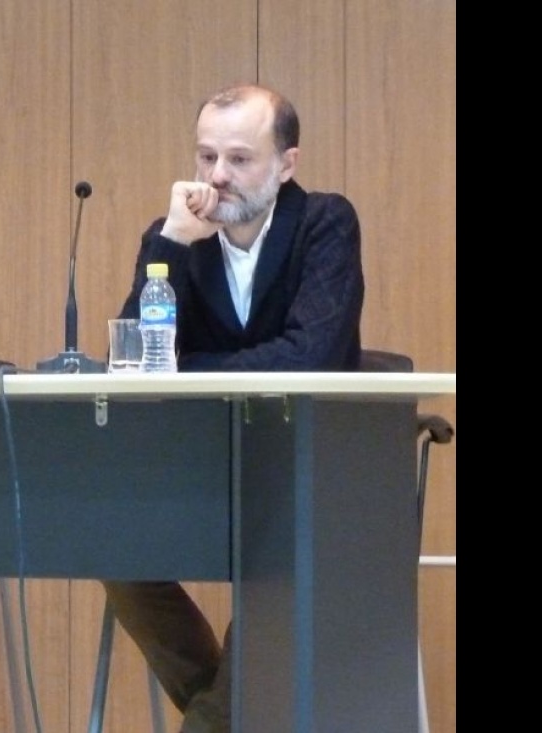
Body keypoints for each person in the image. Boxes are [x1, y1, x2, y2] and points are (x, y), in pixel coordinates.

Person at [103, 84, 364, 732]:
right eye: (207, 156)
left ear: (286, 164)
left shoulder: (325, 223)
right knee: (113, 552)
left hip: (304, 470)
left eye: (240, 159)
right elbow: (136, 362)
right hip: (205, 463)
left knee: (276, 565)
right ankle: (219, 716)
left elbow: (313, 357)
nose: (217, 176)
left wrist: (190, 369)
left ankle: (211, 724)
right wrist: (171, 243)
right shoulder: (174, 239)